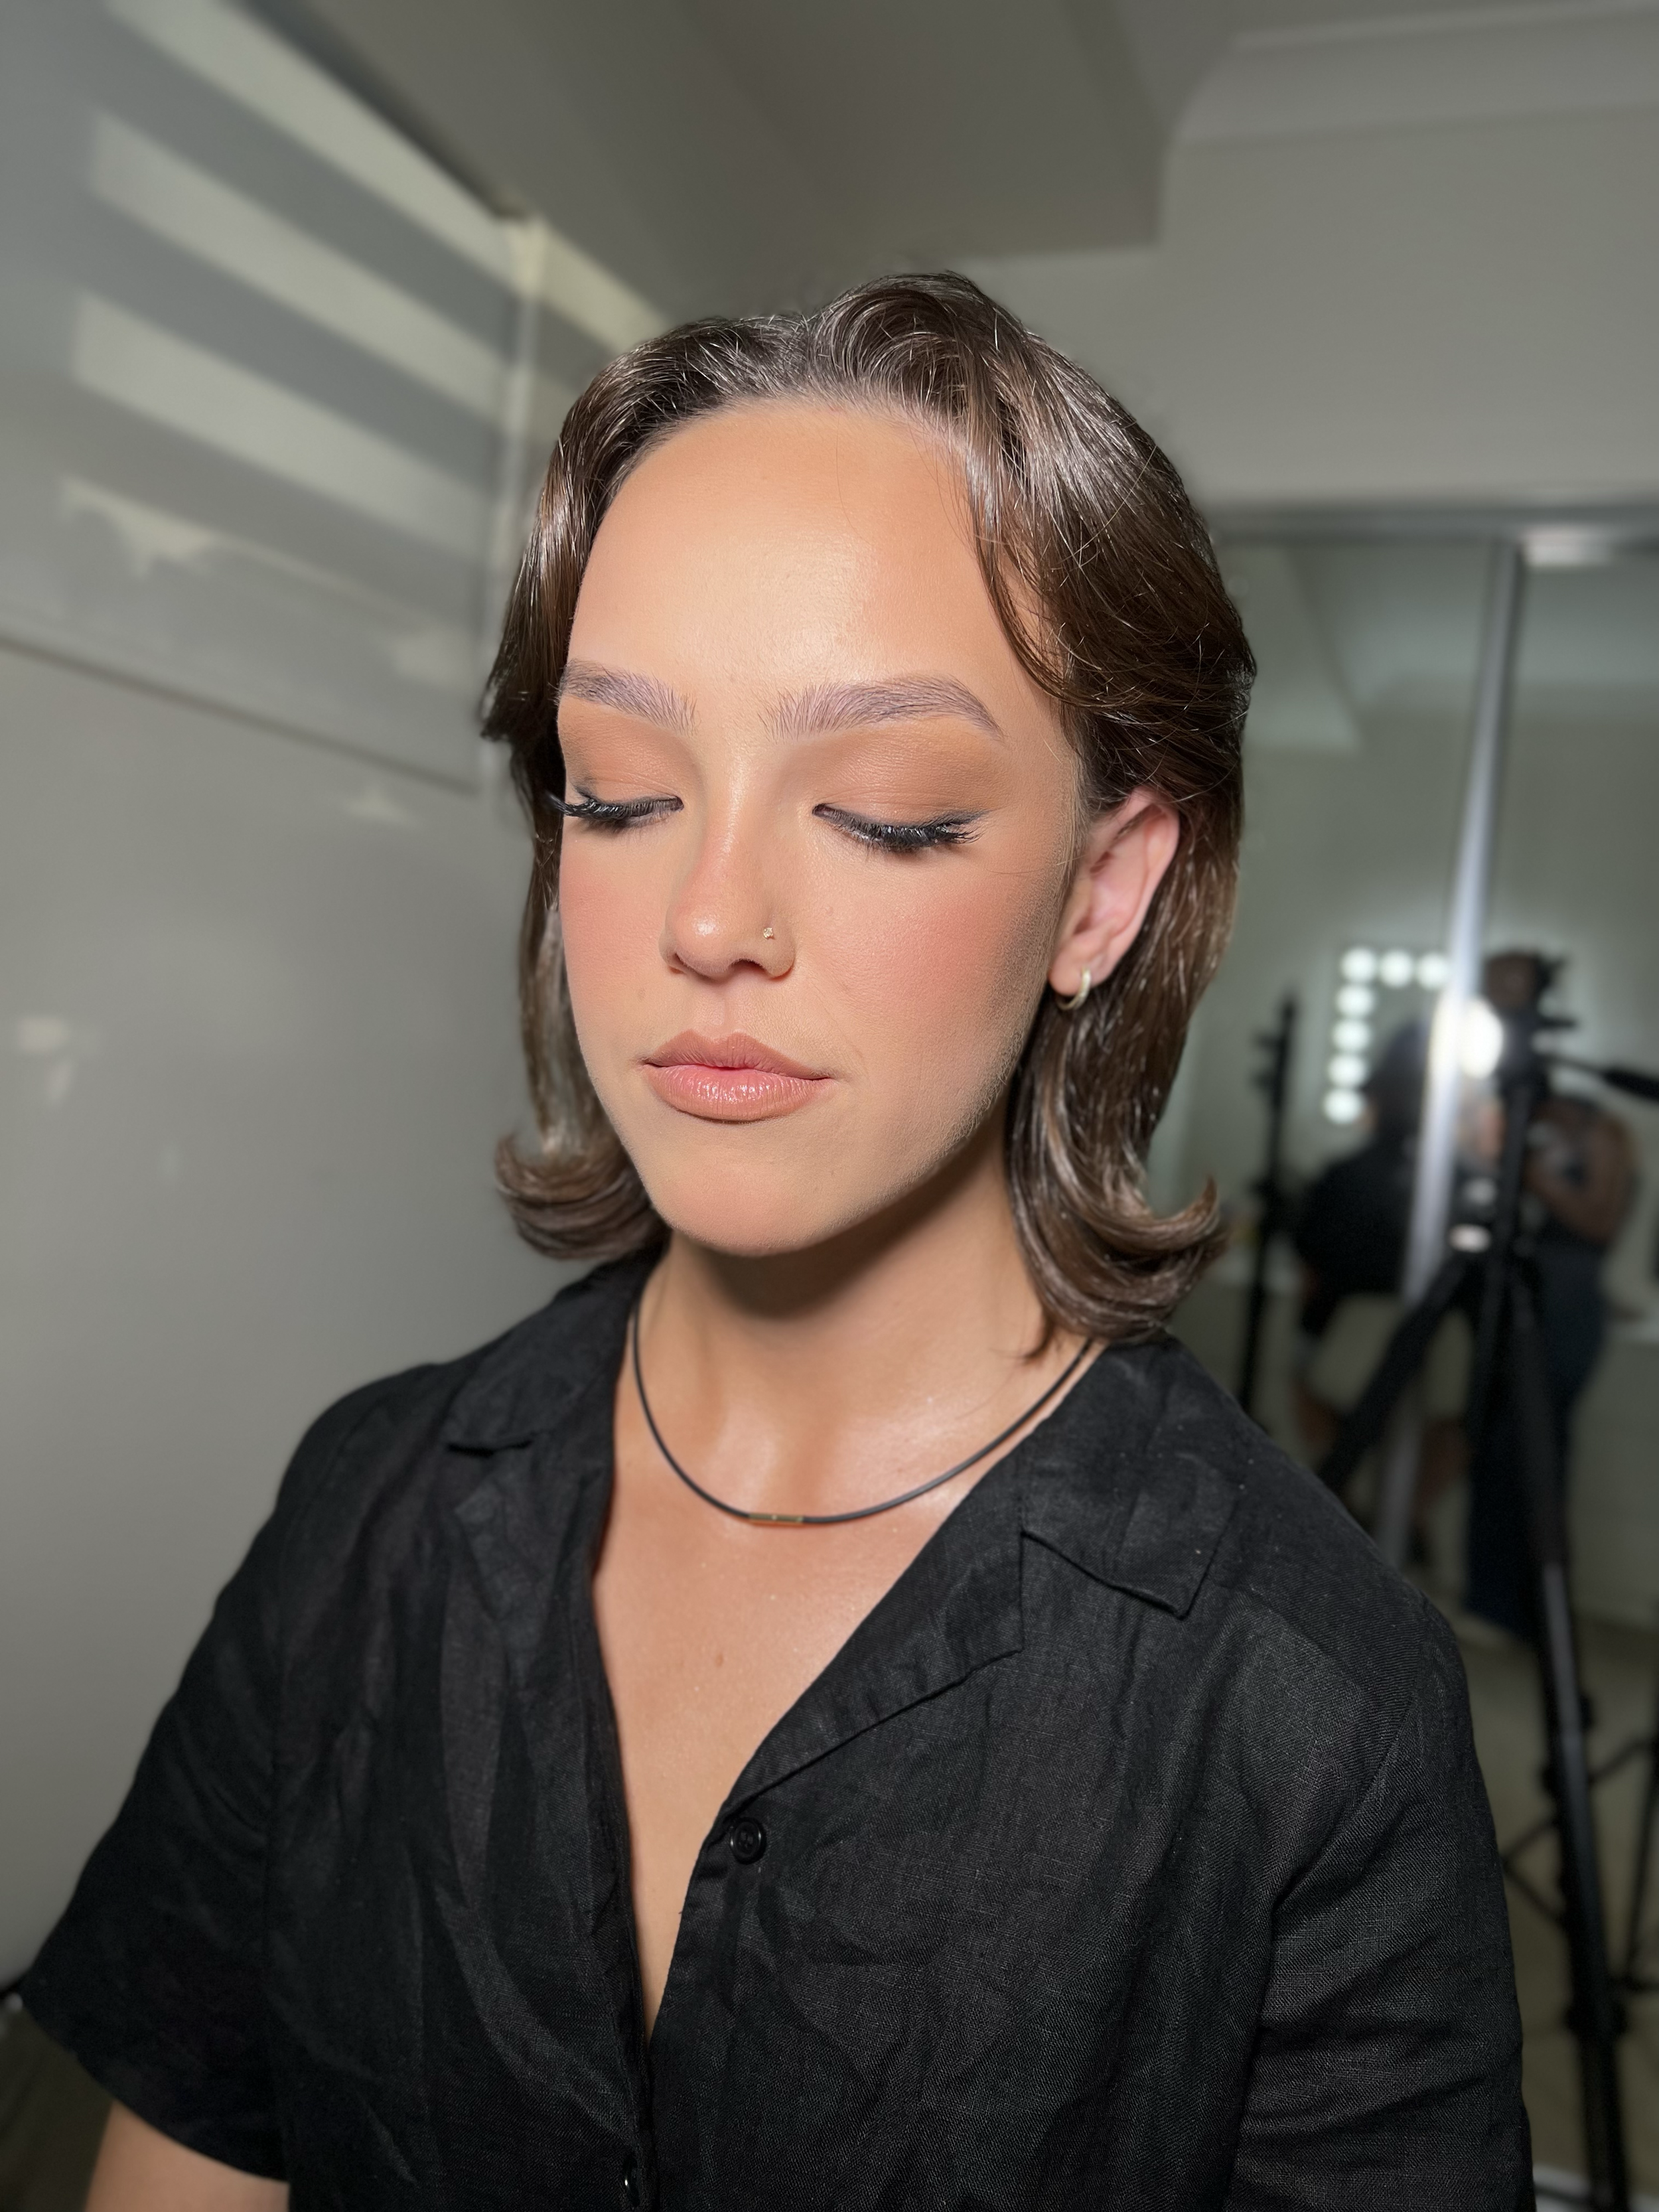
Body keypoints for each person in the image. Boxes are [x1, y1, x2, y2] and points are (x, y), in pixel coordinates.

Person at [23, 276, 1528, 2208]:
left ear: (1099, 889)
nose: (706, 916)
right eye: (621, 792)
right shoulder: (367, 1516)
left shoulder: (1308, 1717)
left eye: (883, 811)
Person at [1465, 951, 1635, 1637]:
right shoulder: (1488, 1107)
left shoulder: (1595, 1125)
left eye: (1513, 992)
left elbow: (1599, 1219)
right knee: (1490, 1444)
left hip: (1562, 1307)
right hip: (1499, 1295)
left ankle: (1533, 1613)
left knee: (1534, 1453)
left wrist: (1526, 1170)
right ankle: (1488, 1601)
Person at [1292, 1021, 1470, 1548]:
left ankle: (1364, 1520)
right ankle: (1379, 1520)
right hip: (1396, 1322)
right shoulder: (1454, 1181)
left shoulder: (1350, 1177)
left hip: (1383, 1322)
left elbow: (1313, 1266)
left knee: (1317, 1389)